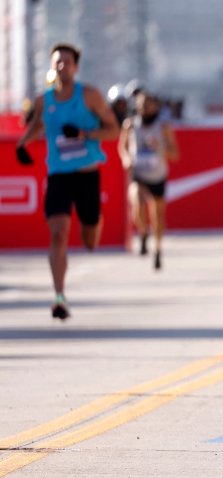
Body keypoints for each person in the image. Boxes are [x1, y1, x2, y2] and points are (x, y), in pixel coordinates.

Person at [15, 42, 119, 320]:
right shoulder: (44, 101)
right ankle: (59, 296)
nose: (62, 66)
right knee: (58, 233)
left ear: (76, 67)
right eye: (57, 62)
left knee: (90, 240)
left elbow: (113, 130)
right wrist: (22, 145)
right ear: (52, 66)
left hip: (87, 174)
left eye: (67, 62)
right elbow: (38, 124)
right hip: (59, 174)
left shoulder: (90, 96)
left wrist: (85, 135)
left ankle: (95, 223)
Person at [118, 91, 179, 270]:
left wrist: (160, 147)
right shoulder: (130, 125)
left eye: (148, 104)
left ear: (156, 106)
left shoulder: (163, 127)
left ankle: (158, 249)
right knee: (136, 200)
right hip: (139, 173)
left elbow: (175, 154)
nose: (144, 107)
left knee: (158, 216)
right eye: (141, 104)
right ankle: (143, 233)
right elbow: (122, 146)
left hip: (158, 175)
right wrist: (126, 158)